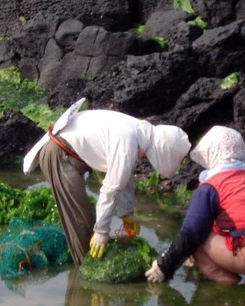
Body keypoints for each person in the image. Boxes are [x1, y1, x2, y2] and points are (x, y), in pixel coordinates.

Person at [25, 105, 191, 266]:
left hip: (71, 153)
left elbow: (123, 178)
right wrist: (101, 231)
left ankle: (88, 259)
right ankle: (85, 272)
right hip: (58, 154)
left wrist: (127, 214)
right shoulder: (127, 143)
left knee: (85, 217)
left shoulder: (138, 133)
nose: (144, 159)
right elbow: (109, 190)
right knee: (80, 219)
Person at [146, 125, 245, 284]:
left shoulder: (210, 187)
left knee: (199, 235)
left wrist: (163, 266)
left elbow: (191, 232)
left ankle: (224, 280)